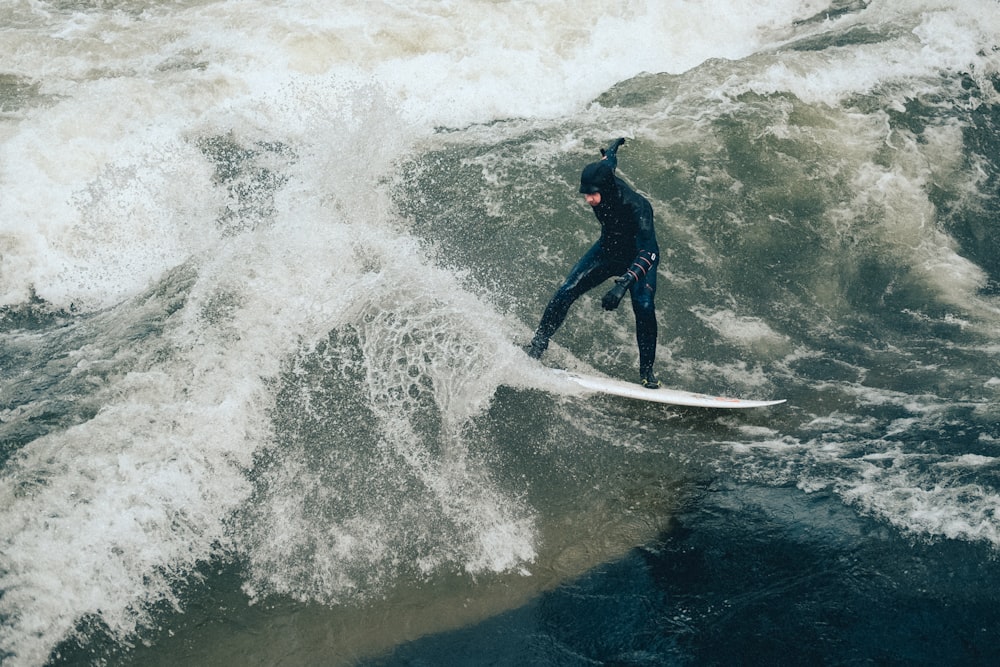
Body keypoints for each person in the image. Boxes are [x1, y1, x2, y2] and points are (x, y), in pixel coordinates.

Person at [527, 138, 661, 388]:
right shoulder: (604, 177)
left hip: (637, 259)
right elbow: (608, 162)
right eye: (585, 194)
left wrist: (623, 284)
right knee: (568, 289)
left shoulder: (638, 207)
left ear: (607, 188)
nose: (588, 199)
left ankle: (647, 372)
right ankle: (537, 345)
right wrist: (613, 148)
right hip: (607, 251)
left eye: (592, 194)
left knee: (643, 306)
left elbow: (650, 253)